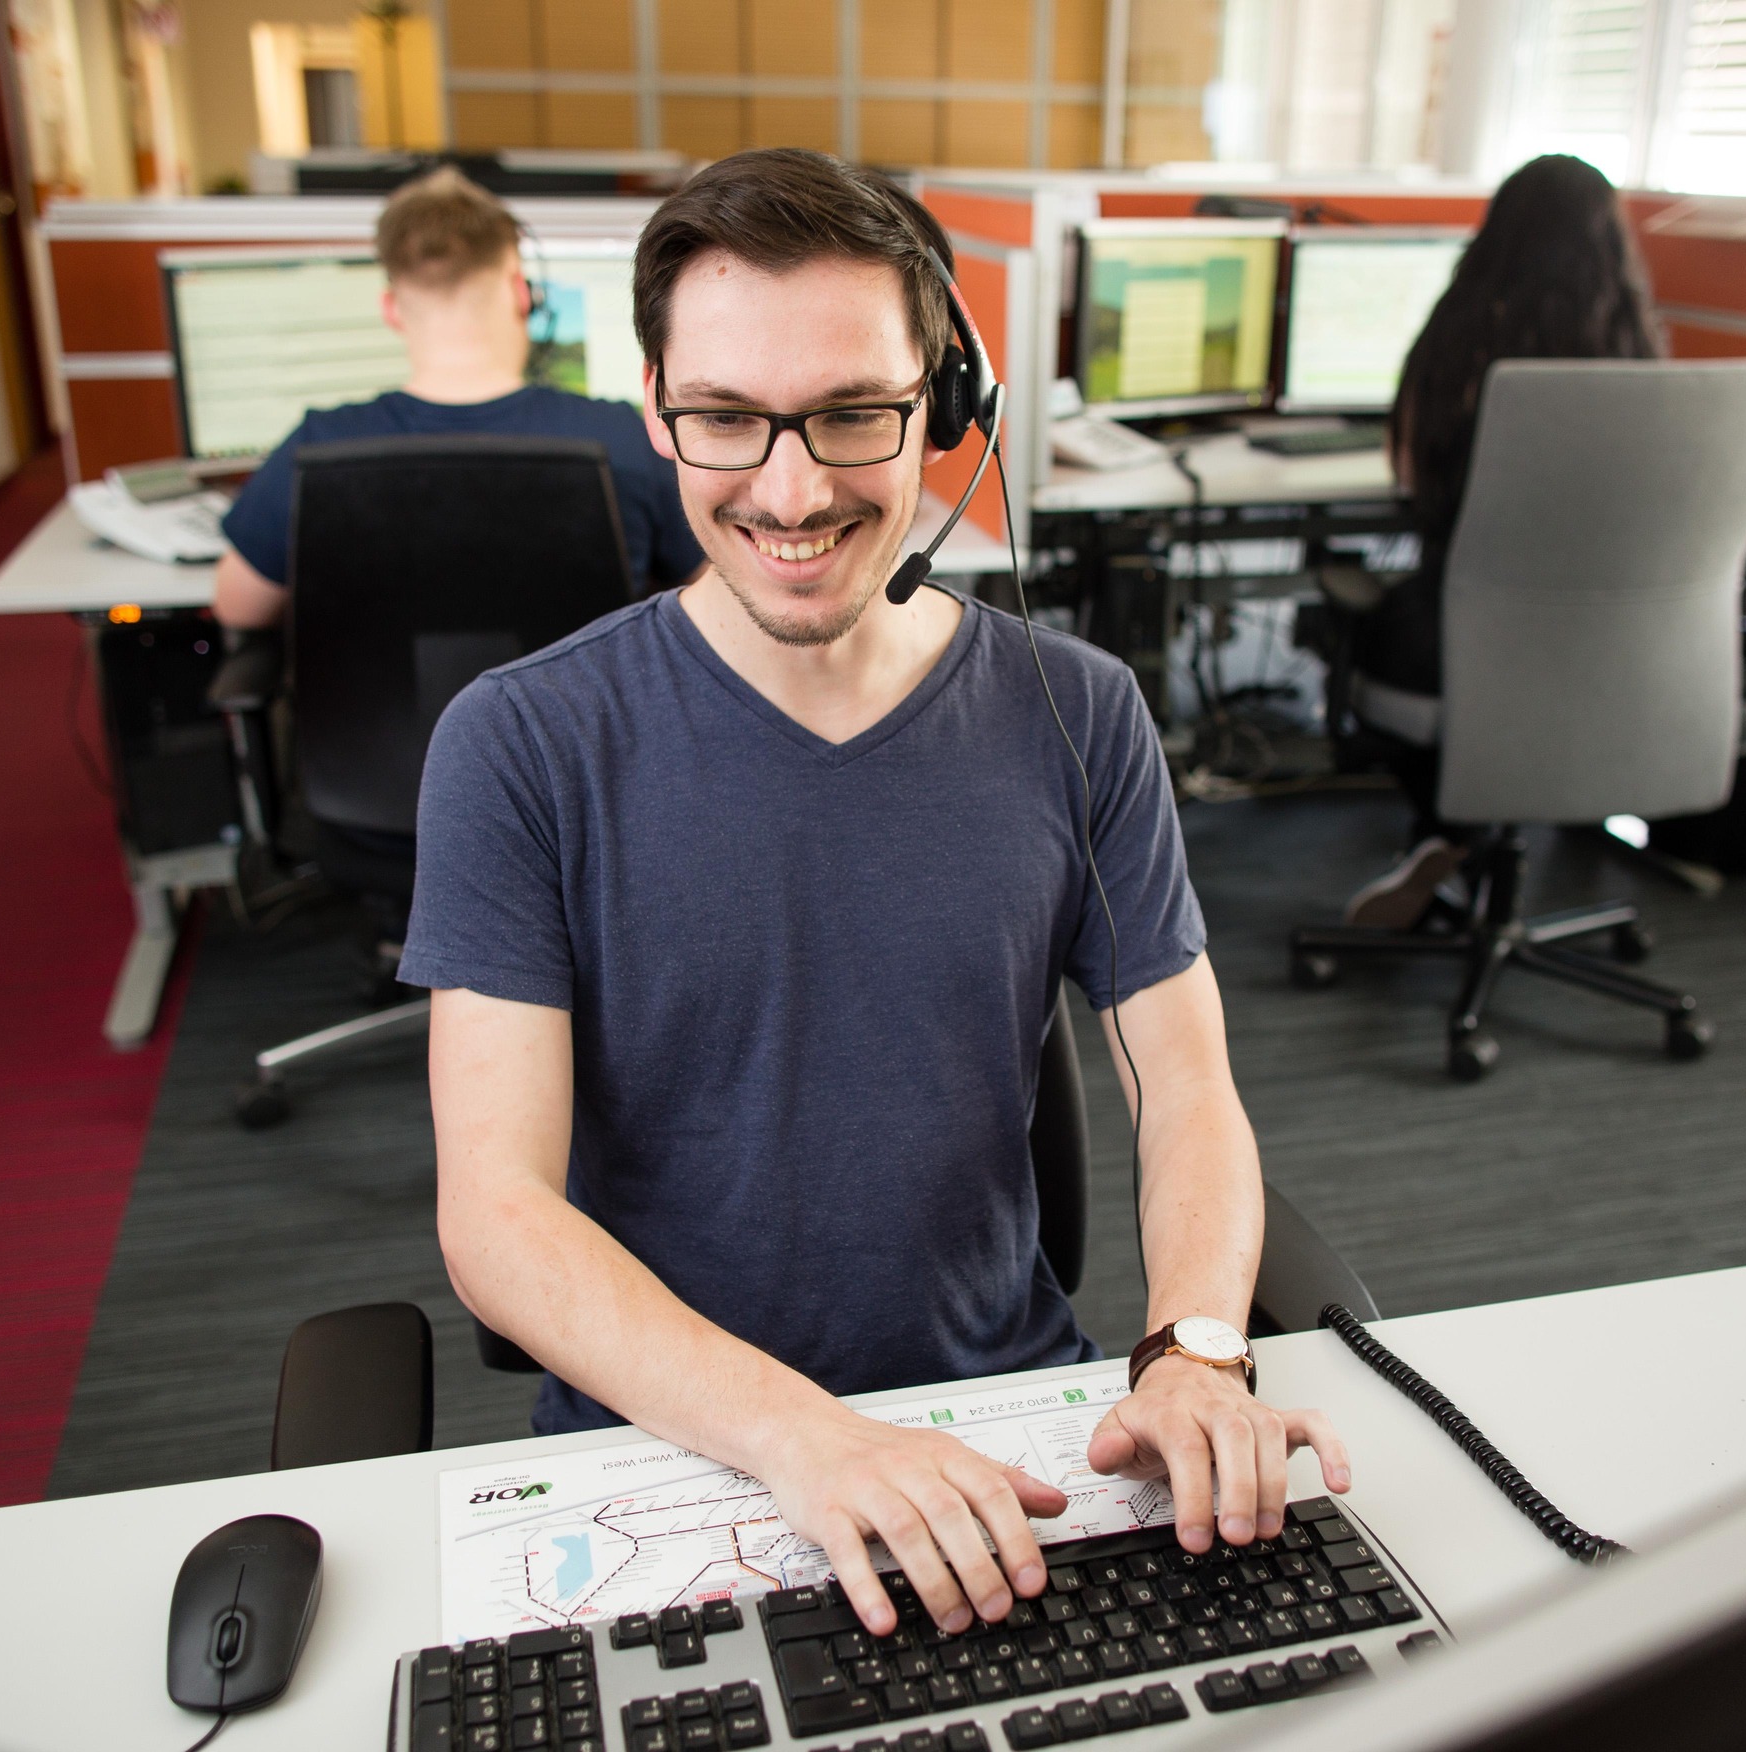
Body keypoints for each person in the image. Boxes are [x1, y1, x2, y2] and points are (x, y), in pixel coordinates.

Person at [400, 149, 1350, 1641]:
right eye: (726, 418)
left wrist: (1199, 1349)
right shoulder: (523, 744)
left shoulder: (1077, 710)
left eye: (854, 414)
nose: (794, 491)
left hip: (1015, 1439)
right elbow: (498, 1216)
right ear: (655, 411)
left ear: (944, 407)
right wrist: (806, 1438)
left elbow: (1185, 1081)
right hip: (675, 1457)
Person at [1340, 154, 1662, 927]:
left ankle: (1444, 829)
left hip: (1465, 637)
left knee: (1376, 627)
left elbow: (1413, 476)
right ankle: (1464, 835)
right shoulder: (1641, 355)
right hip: (1620, 646)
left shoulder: (1461, 342)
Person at [209, 166, 705, 628]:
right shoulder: (626, 437)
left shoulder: (315, 448)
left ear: (391, 309)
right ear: (521, 293)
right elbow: (713, 592)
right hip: (578, 724)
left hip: (383, 724)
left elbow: (236, 608)